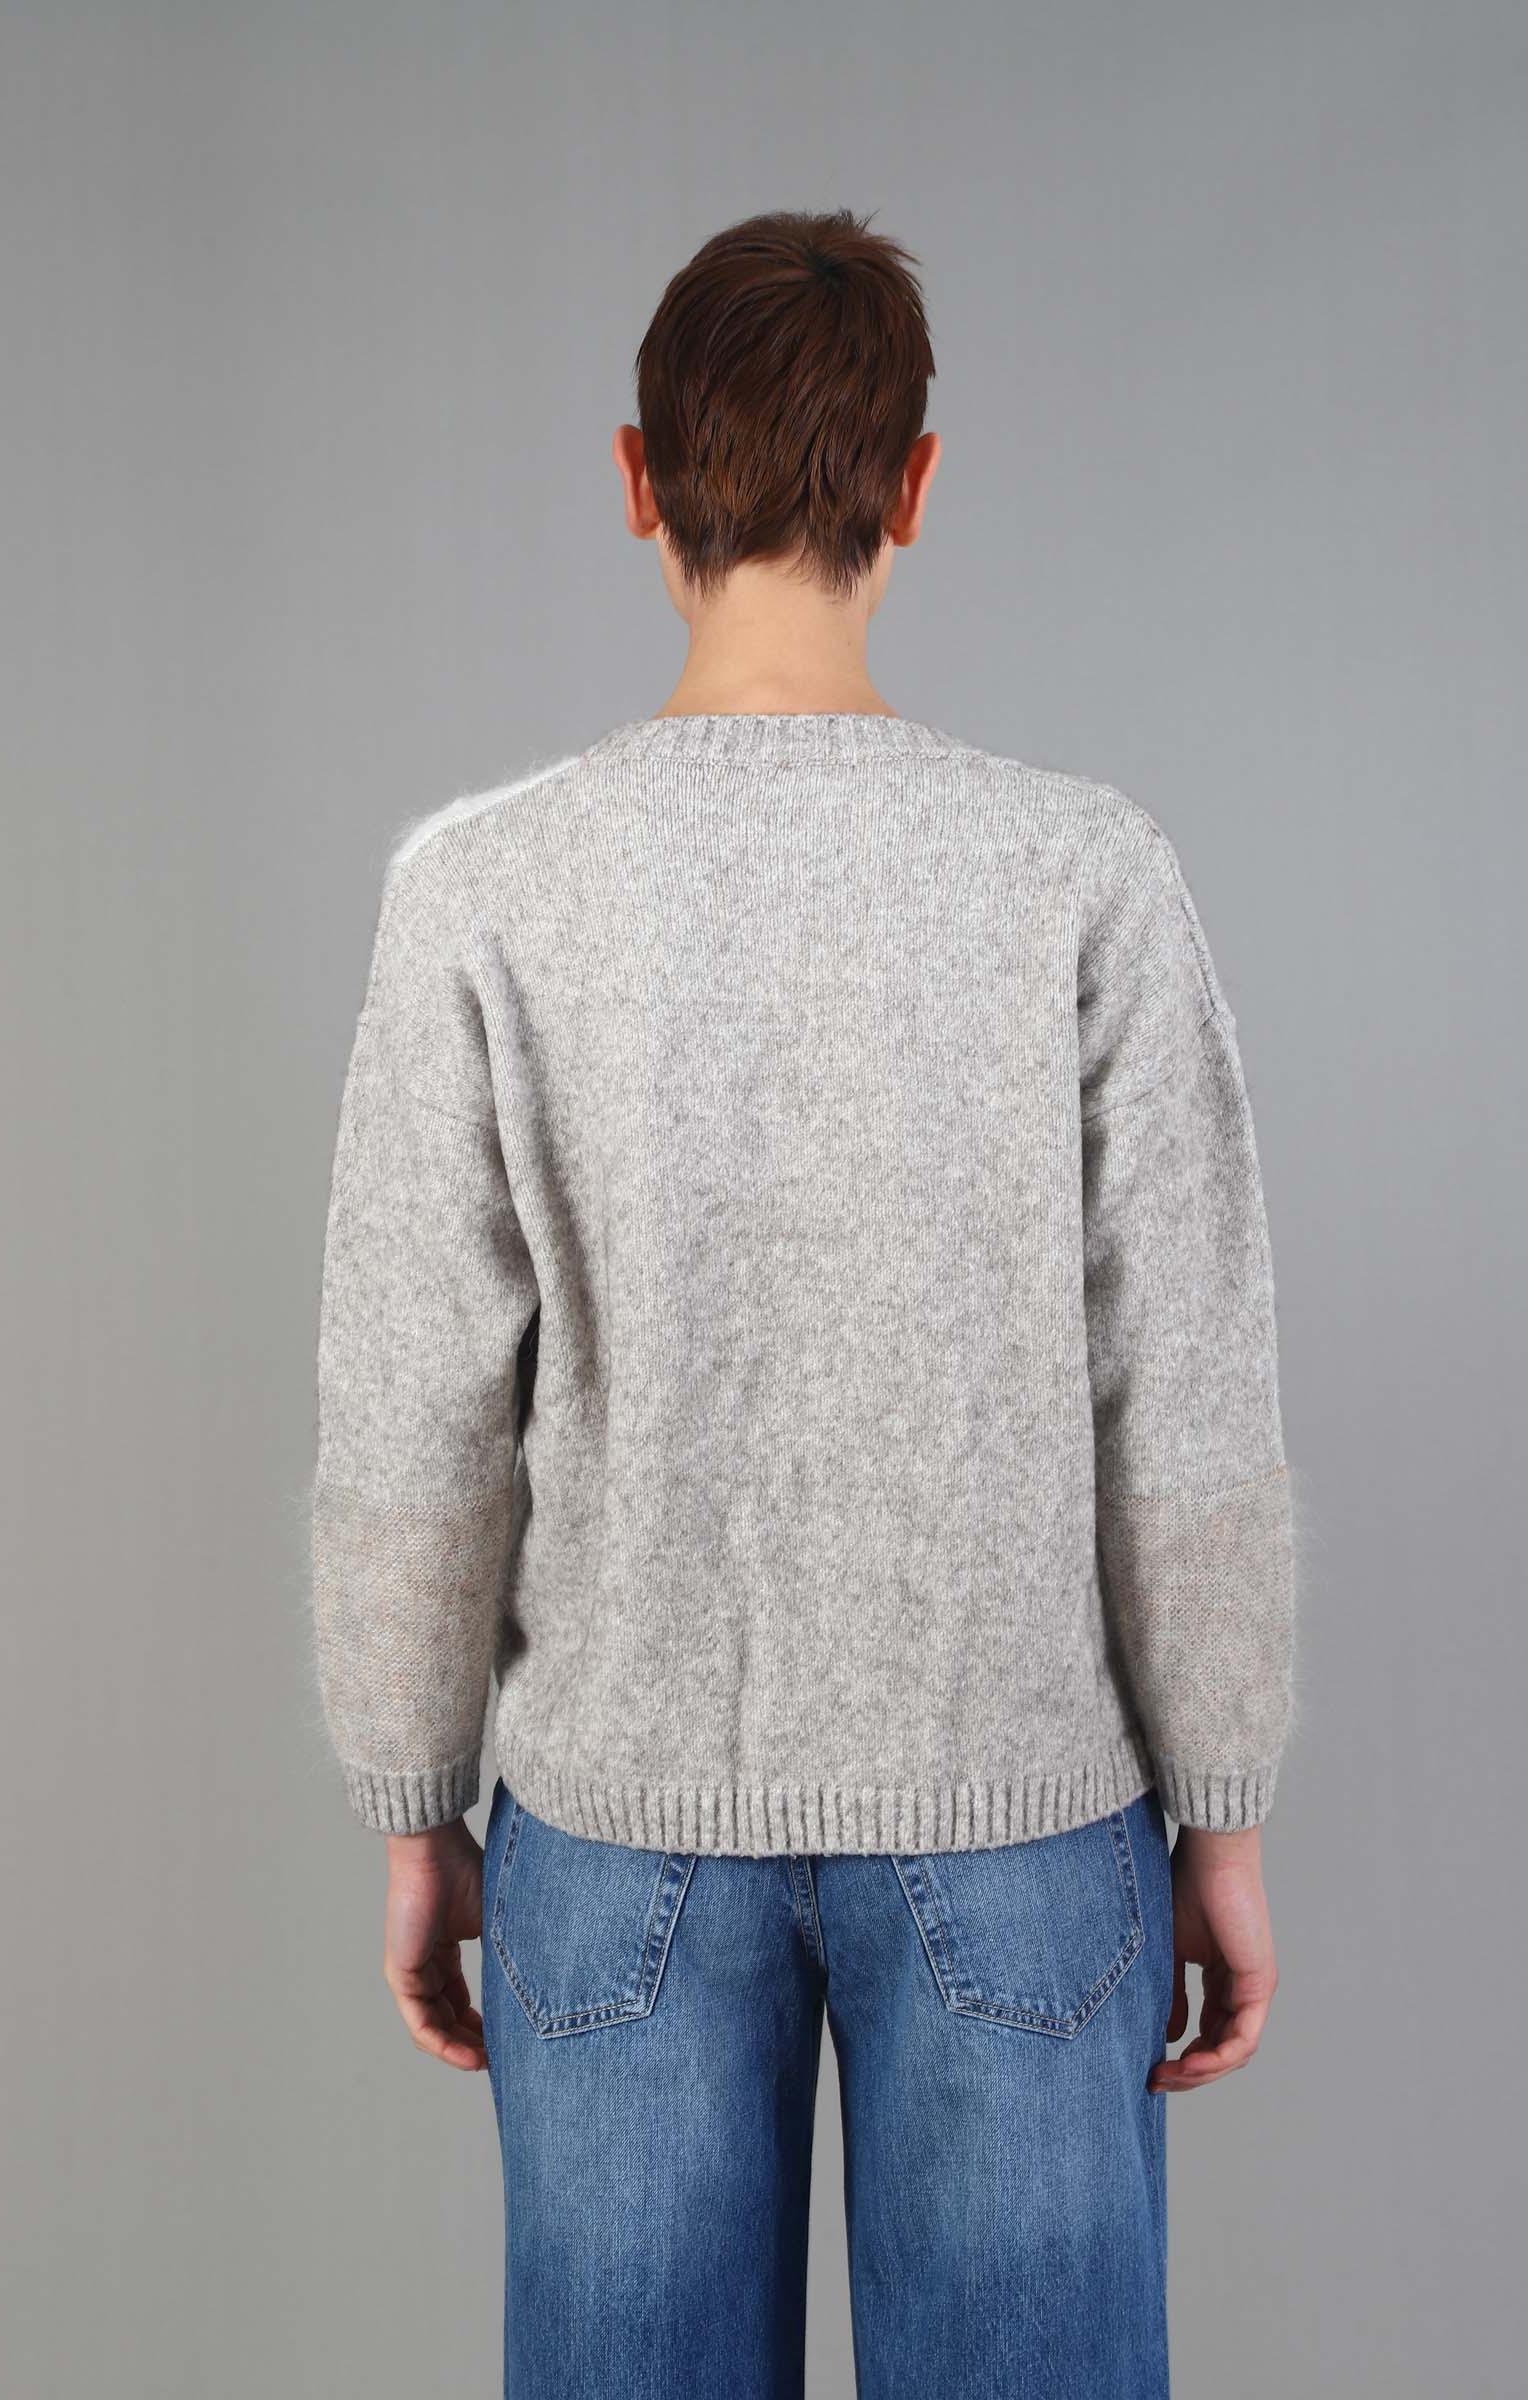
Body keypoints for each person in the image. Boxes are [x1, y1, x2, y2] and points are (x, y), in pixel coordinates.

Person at [308, 208, 1297, 2399]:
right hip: (1021, 1824)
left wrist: (412, 1805)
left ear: (634, 480)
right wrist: (1220, 1813)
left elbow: (412, 1406)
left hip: (613, 1837)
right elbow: (1189, 1394)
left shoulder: (483, 893)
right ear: (914, 487)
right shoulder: (1081, 873)